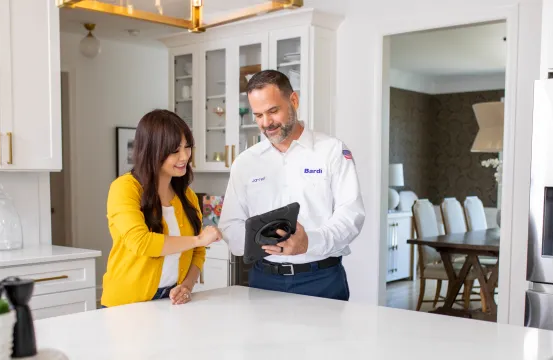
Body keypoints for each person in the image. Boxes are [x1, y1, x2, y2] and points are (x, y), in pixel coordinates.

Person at [218, 70, 365, 301]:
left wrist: (309, 242)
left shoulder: (332, 151)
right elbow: (229, 224)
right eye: (258, 115)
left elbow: (351, 216)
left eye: (273, 111)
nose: (266, 123)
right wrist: (258, 244)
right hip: (263, 280)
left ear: (293, 101)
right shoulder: (245, 163)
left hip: (322, 279)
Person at [100, 109, 222, 308]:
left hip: (169, 303)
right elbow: (141, 243)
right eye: (174, 150)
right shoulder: (125, 188)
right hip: (126, 306)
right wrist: (199, 238)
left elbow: (198, 252)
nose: (184, 156)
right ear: (152, 149)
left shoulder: (187, 196)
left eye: (187, 147)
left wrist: (187, 286)